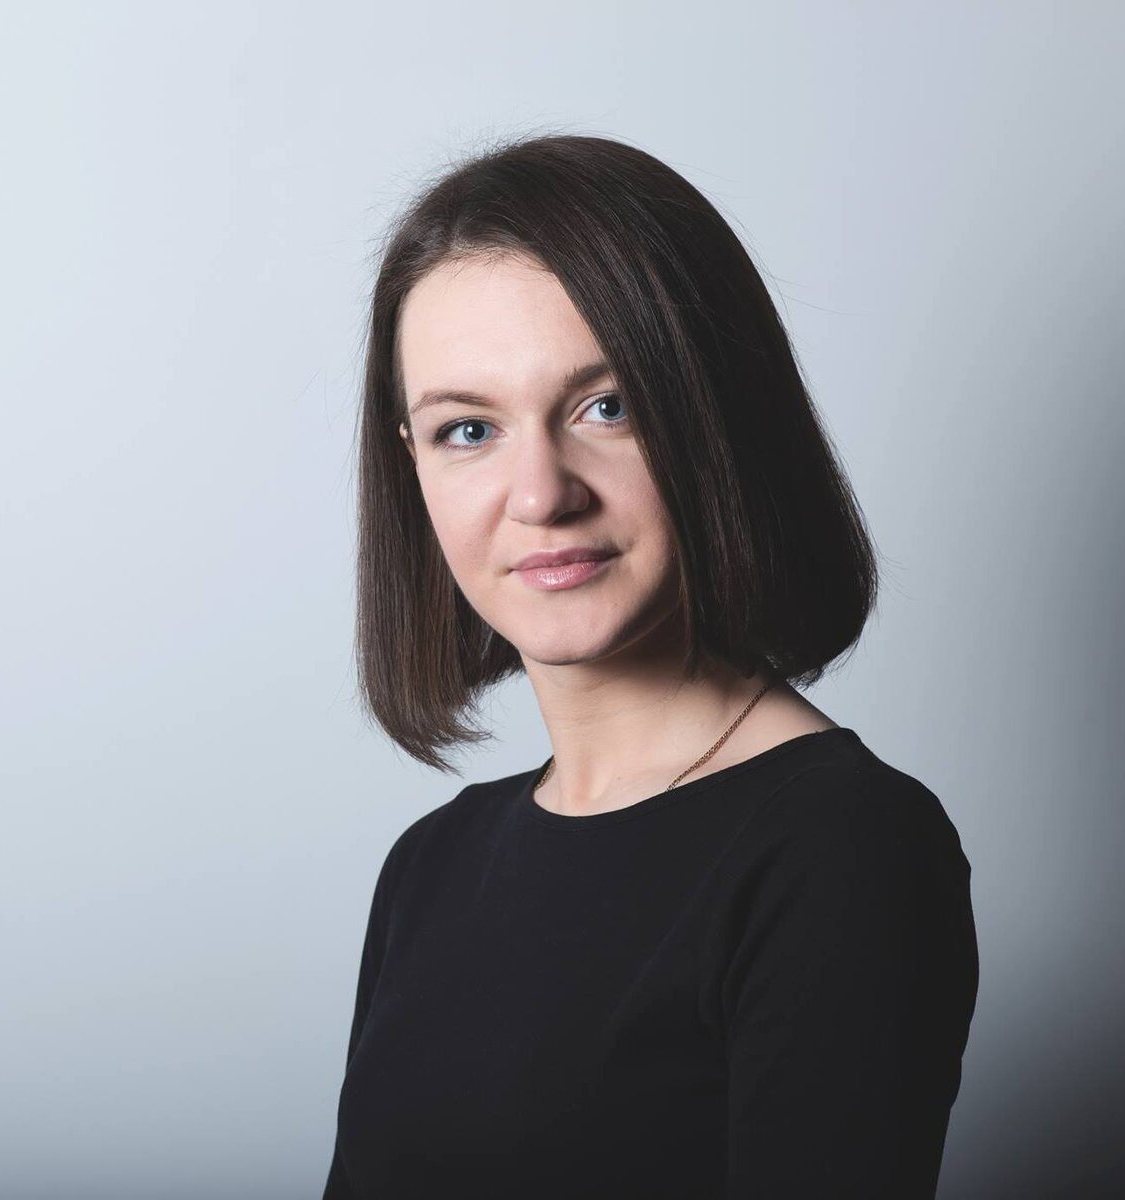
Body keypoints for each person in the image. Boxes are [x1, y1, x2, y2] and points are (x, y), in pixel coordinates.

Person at [322, 133, 978, 1199]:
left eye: (607, 407)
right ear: (413, 467)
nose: (542, 494)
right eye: (469, 429)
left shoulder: (843, 848)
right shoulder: (431, 864)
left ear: (715, 416)